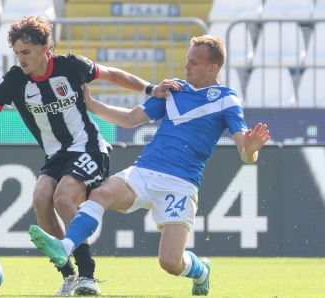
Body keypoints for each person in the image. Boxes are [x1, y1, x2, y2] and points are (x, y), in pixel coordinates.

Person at [28, 34, 271, 296]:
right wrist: (90, 104)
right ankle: (66, 248)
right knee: (100, 194)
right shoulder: (173, 90)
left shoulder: (227, 100)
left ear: (213, 68)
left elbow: (245, 153)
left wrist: (251, 150)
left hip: (181, 184)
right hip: (145, 171)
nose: (187, 66)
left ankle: (200, 270)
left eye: (194, 63)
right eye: (187, 60)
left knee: (170, 263)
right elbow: (130, 119)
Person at [0, 15, 181, 296]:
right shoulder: (15, 80)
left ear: (45, 48)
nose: (21, 59)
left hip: (90, 148)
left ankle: (88, 277)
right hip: (56, 157)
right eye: (17, 53)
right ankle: (69, 276)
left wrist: (150, 89)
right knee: (41, 199)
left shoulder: (70, 65)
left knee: (62, 198)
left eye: (26, 52)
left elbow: (113, 75)